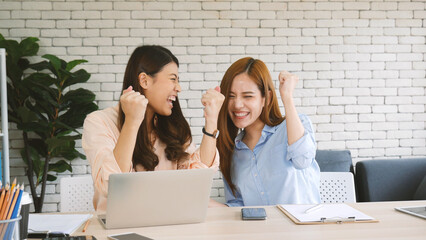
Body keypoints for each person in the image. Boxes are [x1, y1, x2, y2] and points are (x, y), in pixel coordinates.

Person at [82, 45, 224, 213]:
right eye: (173, 79)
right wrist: (132, 121)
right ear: (144, 81)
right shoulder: (99, 122)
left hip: (169, 223)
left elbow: (198, 181)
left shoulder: (171, 129)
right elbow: (111, 186)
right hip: (120, 227)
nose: (178, 88)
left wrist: (212, 121)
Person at [216, 57, 320, 207]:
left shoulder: (292, 127)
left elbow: (302, 160)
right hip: (262, 230)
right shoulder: (232, 153)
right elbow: (237, 206)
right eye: (231, 96)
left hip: (303, 228)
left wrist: (287, 97)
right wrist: (201, 202)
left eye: (248, 96)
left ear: (267, 98)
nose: (237, 104)